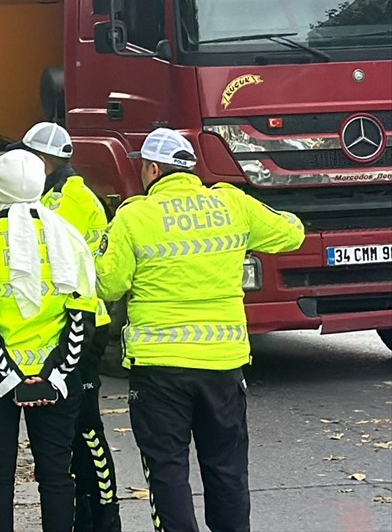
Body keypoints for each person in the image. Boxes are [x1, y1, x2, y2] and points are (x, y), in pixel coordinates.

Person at [96, 128, 305, 532]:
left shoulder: (135, 215)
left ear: (153, 169)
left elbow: (108, 284)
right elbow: (291, 234)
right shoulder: (231, 203)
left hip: (159, 370)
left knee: (168, 470)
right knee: (226, 467)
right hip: (222, 366)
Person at [0, 148, 99, 532]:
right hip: (58, 378)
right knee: (57, 475)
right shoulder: (70, 239)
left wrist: (11, 379)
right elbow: (81, 320)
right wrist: (54, 377)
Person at [20, 122, 121, 532]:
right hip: (75, 321)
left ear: (43, 160)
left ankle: (103, 514)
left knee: (86, 427)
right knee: (75, 430)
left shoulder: (69, 200)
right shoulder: (61, 194)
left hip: (84, 323)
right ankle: (87, 513)